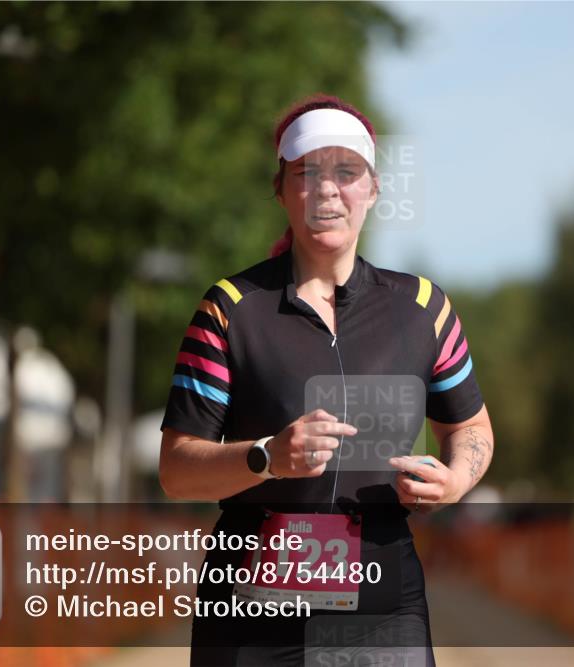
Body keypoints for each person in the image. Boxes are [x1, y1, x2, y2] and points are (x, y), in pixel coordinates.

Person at [159, 94, 494, 666]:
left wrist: (457, 479)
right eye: (308, 173)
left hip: (385, 609)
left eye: (346, 172)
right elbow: (176, 470)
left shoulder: (423, 308)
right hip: (253, 615)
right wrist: (267, 456)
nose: (328, 190)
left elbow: (471, 427)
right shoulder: (231, 310)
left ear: (373, 189)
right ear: (283, 190)